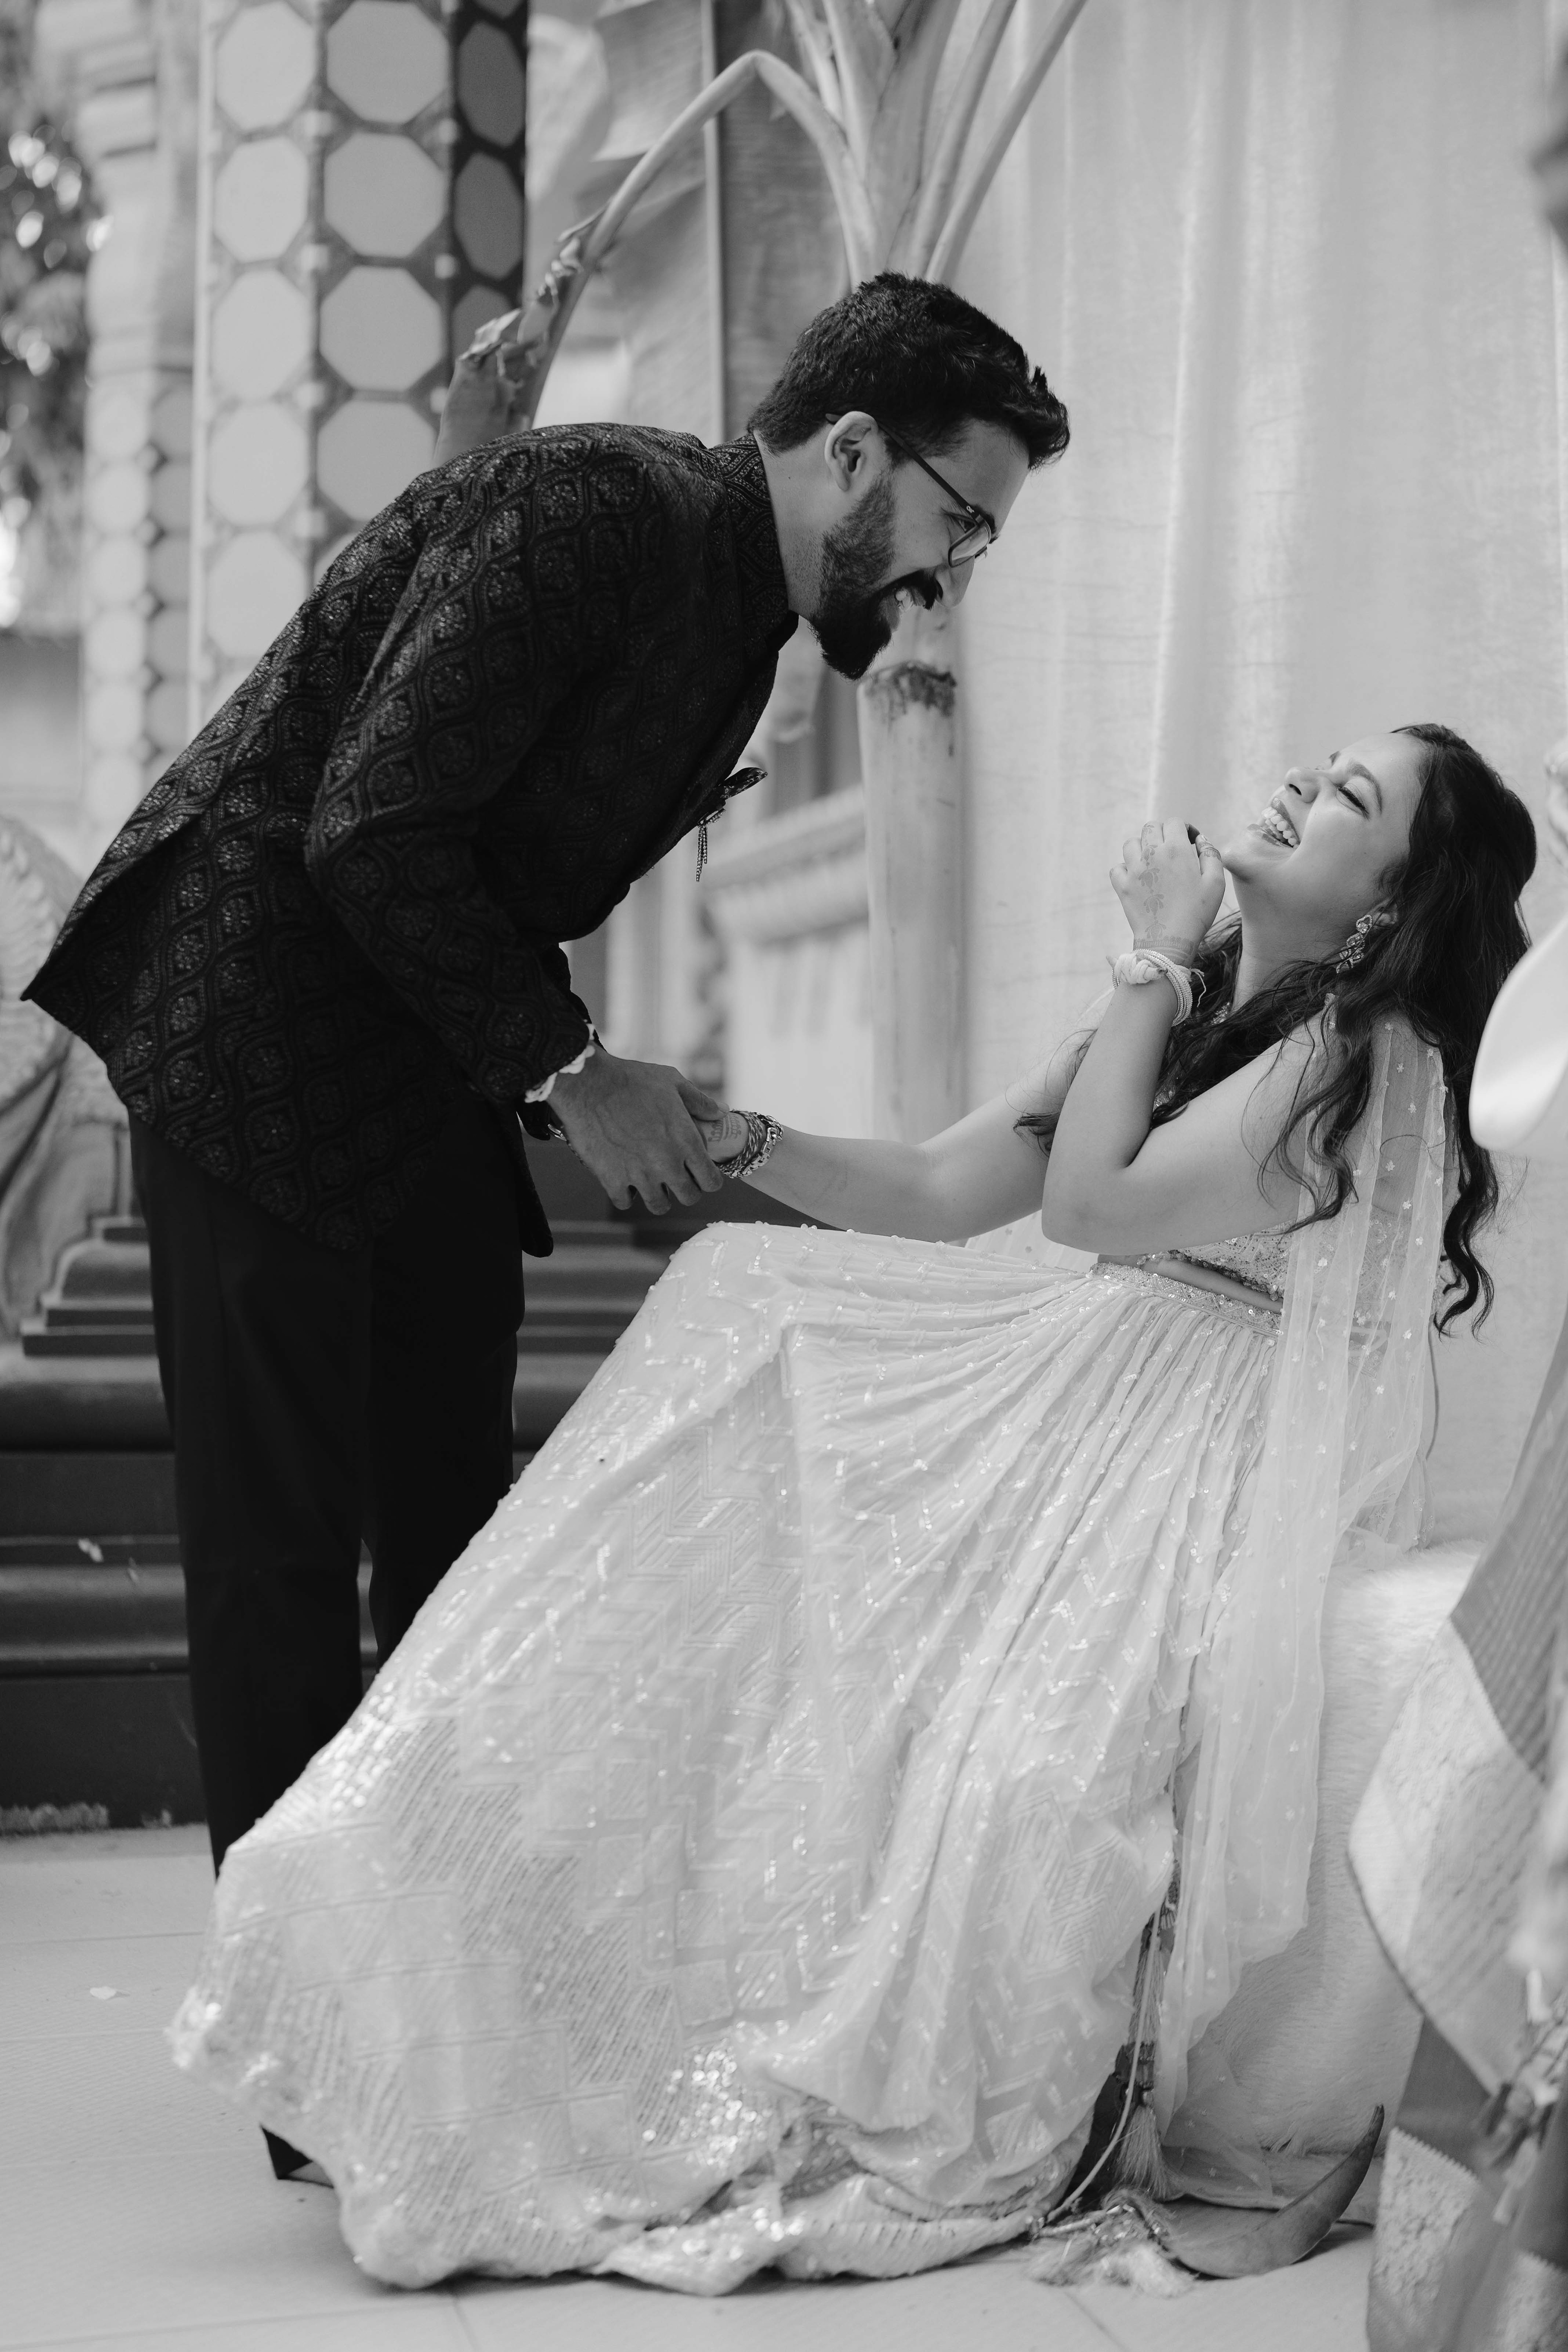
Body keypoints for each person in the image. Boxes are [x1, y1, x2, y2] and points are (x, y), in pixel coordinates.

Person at [171, 724, 1534, 2290]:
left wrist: (1151, 961)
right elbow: (944, 1188)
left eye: (1351, 797)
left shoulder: (1359, 1055)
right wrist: (733, 1139)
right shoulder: (1215, 997)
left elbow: (1089, 1208)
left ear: (1387, 905)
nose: (1302, 784)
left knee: (910, 1611)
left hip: (1176, 1437)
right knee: (746, 1301)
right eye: (1325, 763)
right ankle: (437, 1870)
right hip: (1073, 1382)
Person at [18, 274, 1067, 2179]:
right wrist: (580, 1070)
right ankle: (315, 2066)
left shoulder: (740, 621)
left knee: (457, 1535)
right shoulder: (599, 509)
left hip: (417, 1062)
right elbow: (370, 824)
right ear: (853, 455)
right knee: (277, 1557)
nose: (954, 578)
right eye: (957, 522)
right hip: (250, 1028)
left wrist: (562, 1065)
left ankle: (433, 1984)